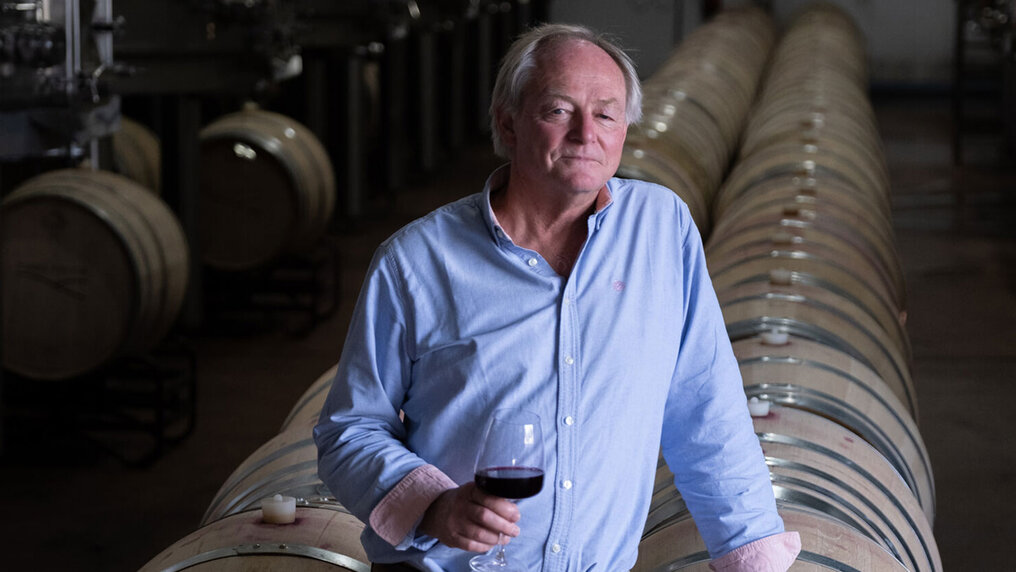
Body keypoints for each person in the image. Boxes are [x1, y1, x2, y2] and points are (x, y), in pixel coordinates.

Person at [315, 23, 801, 571]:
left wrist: (752, 556)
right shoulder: (418, 261)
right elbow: (349, 428)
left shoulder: (662, 230)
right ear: (508, 121)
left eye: (606, 114)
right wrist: (434, 506)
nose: (585, 134)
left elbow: (705, 405)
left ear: (625, 129)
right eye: (558, 111)